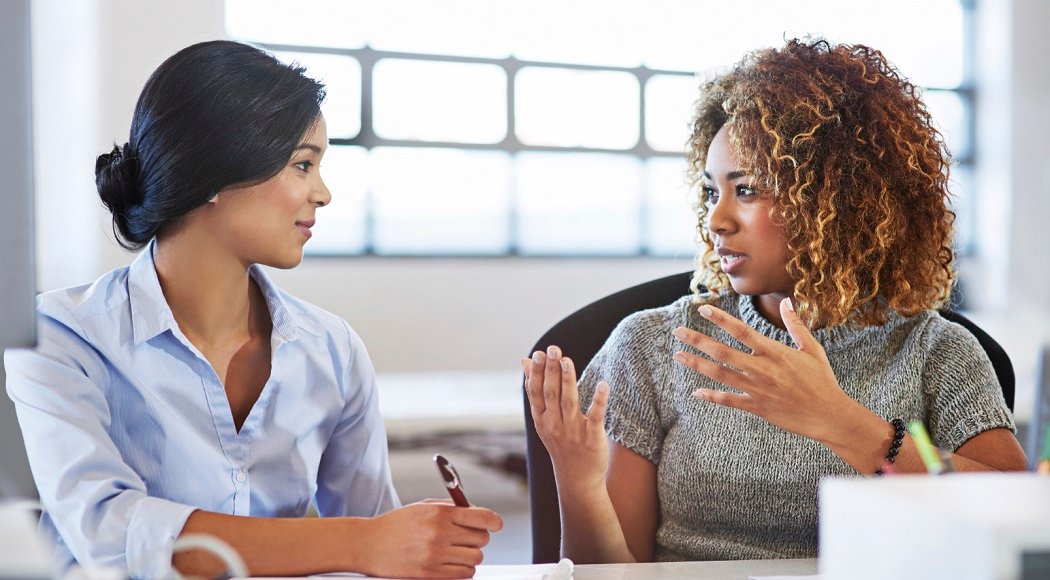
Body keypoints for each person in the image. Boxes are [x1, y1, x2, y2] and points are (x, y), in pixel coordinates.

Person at [4, 40, 502, 579]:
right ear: (214, 173)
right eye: (302, 165)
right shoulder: (60, 336)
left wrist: (416, 544)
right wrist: (364, 541)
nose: (324, 193)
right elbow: (108, 531)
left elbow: (374, 538)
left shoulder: (332, 350)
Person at [523, 38, 1027, 564]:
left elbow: (1017, 513)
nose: (717, 220)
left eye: (746, 190)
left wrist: (847, 425)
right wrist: (577, 481)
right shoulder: (653, 347)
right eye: (710, 192)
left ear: (835, 198)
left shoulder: (933, 351)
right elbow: (608, 575)